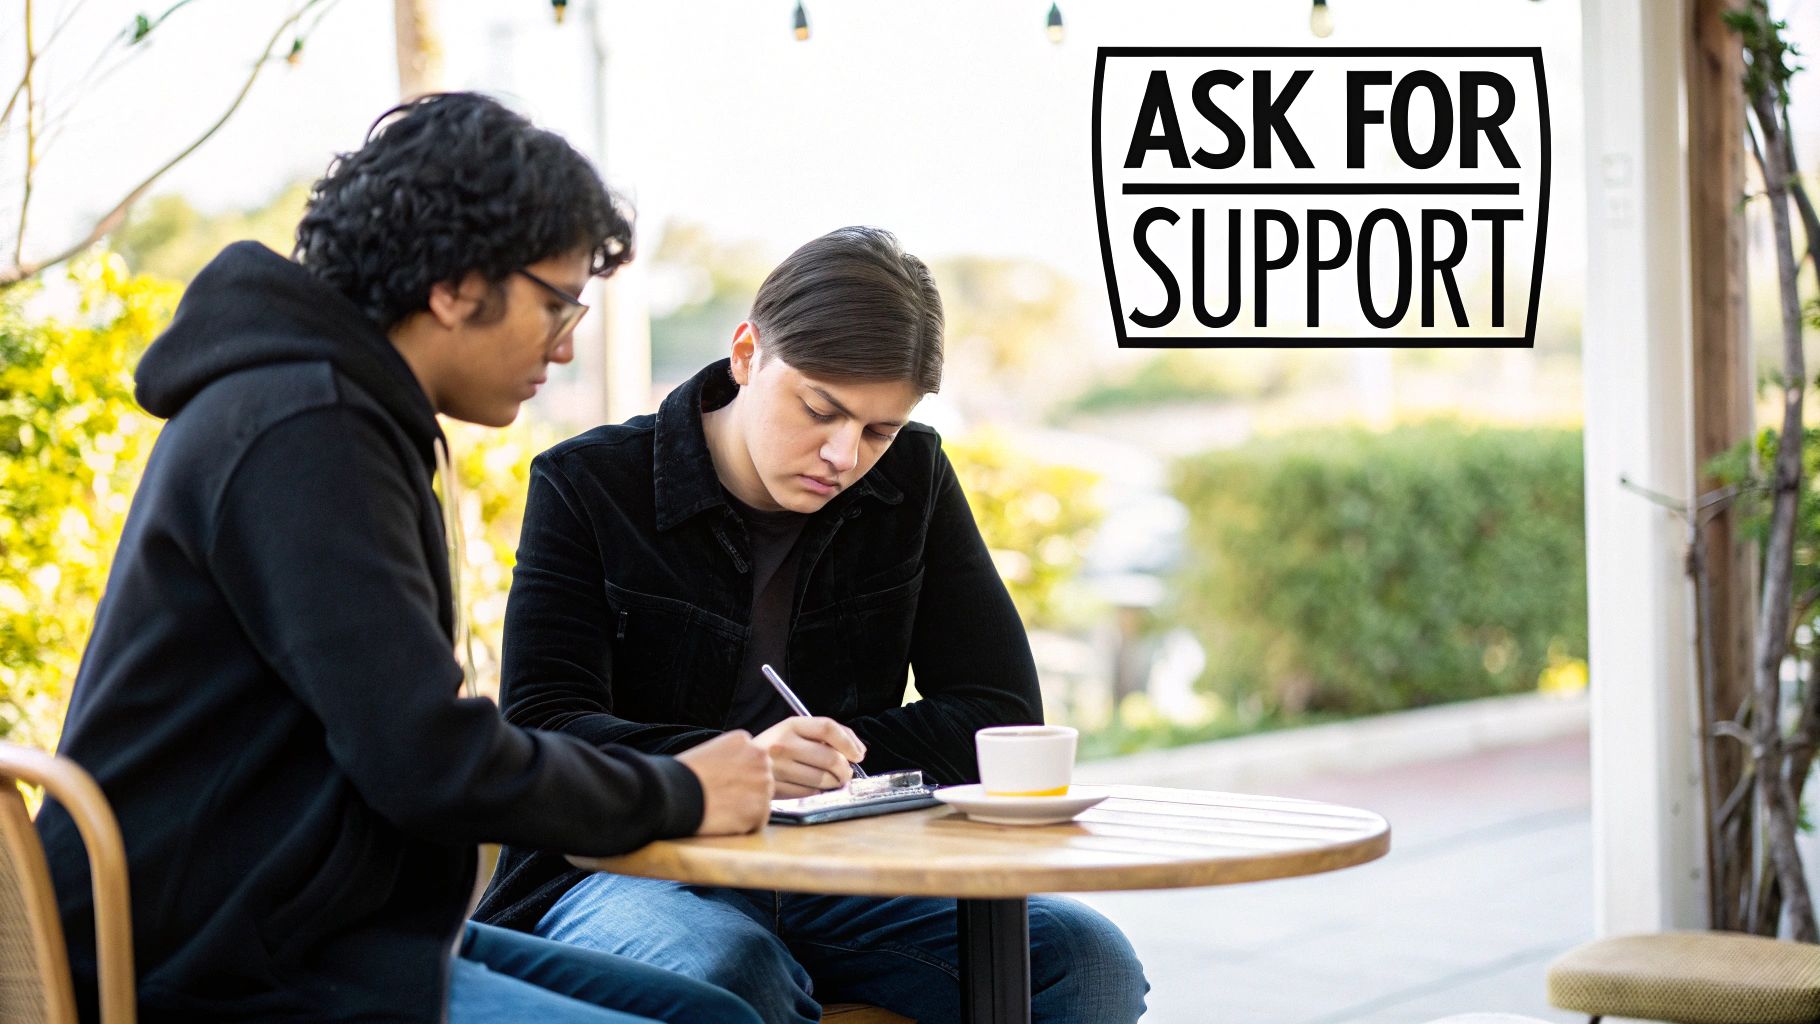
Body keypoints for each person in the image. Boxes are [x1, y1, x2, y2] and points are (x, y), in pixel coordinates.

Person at [34, 92, 773, 1024]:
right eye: (557, 301)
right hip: (203, 962)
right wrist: (680, 789)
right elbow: (427, 759)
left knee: (718, 1013)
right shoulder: (306, 427)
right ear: (458, 284)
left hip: (304, 929)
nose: (570, 338)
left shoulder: (324, 406)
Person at [475, 226, 1149, 1024]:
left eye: (878, 429)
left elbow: (998, 712)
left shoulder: (913, 479)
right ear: (746, 352)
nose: (843, 455)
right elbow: (542, 725)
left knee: (1086, 962)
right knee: (730, 968)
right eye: (820, 409)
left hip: (839, 872)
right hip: (624, 868)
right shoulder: (591, 485)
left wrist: (832, 762)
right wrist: (734, 766)